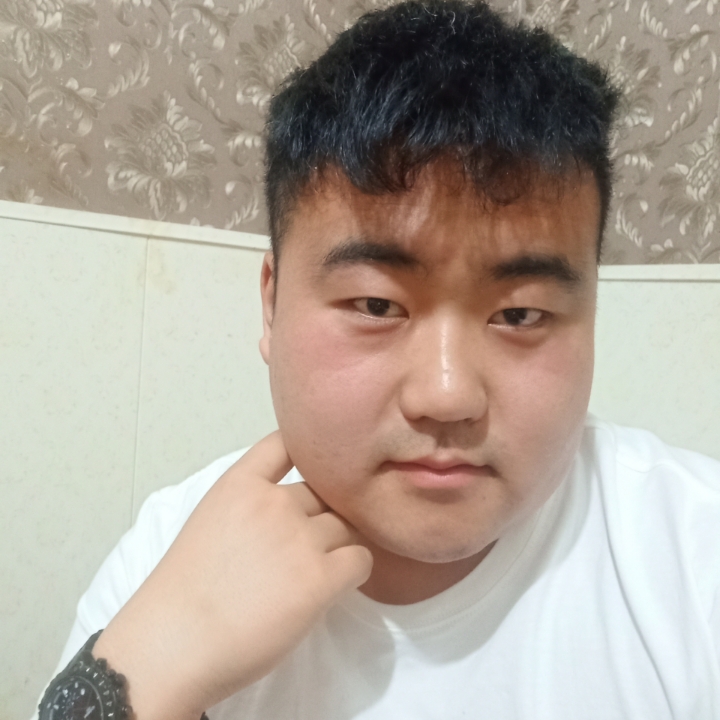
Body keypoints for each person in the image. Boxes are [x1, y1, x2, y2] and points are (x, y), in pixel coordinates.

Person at [36, 1, 720, 718]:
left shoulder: (695, 556)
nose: (448, 395)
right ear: (271, 304)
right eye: (376, 304)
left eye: (519, 315)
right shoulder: (169, 557)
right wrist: (151, 673)